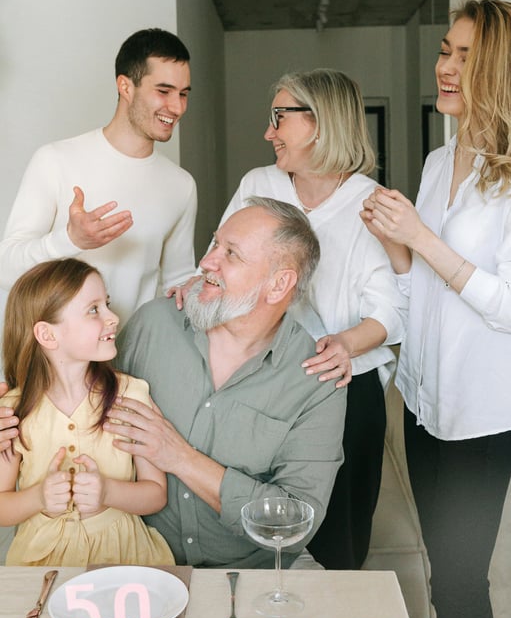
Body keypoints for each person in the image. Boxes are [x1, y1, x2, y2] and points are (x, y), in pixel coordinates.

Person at [178, 70, 405, 569]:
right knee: (264, 526)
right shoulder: (260, 183)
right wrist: (197, 284)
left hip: (343, 383)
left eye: (280, 117)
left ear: (320, 125)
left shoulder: (370, 203)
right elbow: (220, 256)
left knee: (338, 540)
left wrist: (345, 343)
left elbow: (392, 309)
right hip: (266, 377)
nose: (269, 131)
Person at [361, 0, 511, 618]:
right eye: (445, 50)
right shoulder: (435, 162)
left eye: (465, 55)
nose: (444, 66)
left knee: (459, 581)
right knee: (443, 575)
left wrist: (422, 239)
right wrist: (400, 248)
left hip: (480, 418)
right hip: (420, 407)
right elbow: (419, 286)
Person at [102, 197, 347, 568]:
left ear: (279, 284)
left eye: (231, 254)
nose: (207, 262)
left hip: (251, 577)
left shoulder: (317, 378)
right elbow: (79, 400)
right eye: (215, 243)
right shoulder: (153, 325)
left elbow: (296, 519)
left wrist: (181, 459)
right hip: (139, 566)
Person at [0, 28, 197, 328]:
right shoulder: (54, 161)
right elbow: (6, 269)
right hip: (54, 368)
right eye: (164, 91)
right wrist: (71, 240)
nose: (177, 107)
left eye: (183, 94)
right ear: (125, 86)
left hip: (133, 367)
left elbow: (179, 287)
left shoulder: (181, 186)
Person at [0, 258, 174, 567]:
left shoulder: (132, 396)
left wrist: (108, 492)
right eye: (94, 310)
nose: (114, 318)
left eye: (106, 304)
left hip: (125, 557)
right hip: (39, 564)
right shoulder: (11, 413)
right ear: (48, 335)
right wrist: (37, 498)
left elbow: (156, 494)